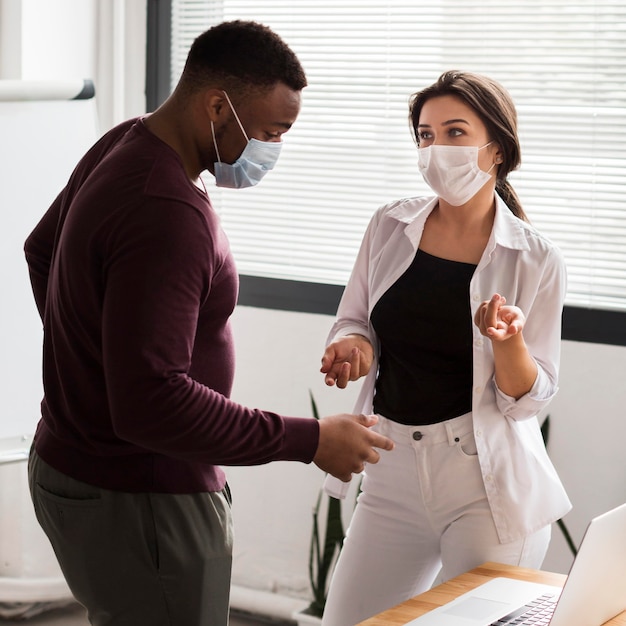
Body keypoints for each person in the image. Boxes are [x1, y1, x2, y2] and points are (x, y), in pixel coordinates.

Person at [24, 20, 393, 626]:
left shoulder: (123, 143)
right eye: (271, 132)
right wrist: (313, 440)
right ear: (218, 105)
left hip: (74, 469)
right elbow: (154, 403)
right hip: (144, 499)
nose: (272, 151)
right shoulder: (168, 212)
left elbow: (44, 251)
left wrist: (91, 370)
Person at [319, 70, 572, 624]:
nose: (437, 149)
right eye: (426, 136)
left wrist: (507, 343)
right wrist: (353, 346)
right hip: (391, 469)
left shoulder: (535, 258)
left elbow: (530, 400)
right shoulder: (389, 225)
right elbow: (354, 318)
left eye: (455, 132)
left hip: (485, 486)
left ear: (497, 149)